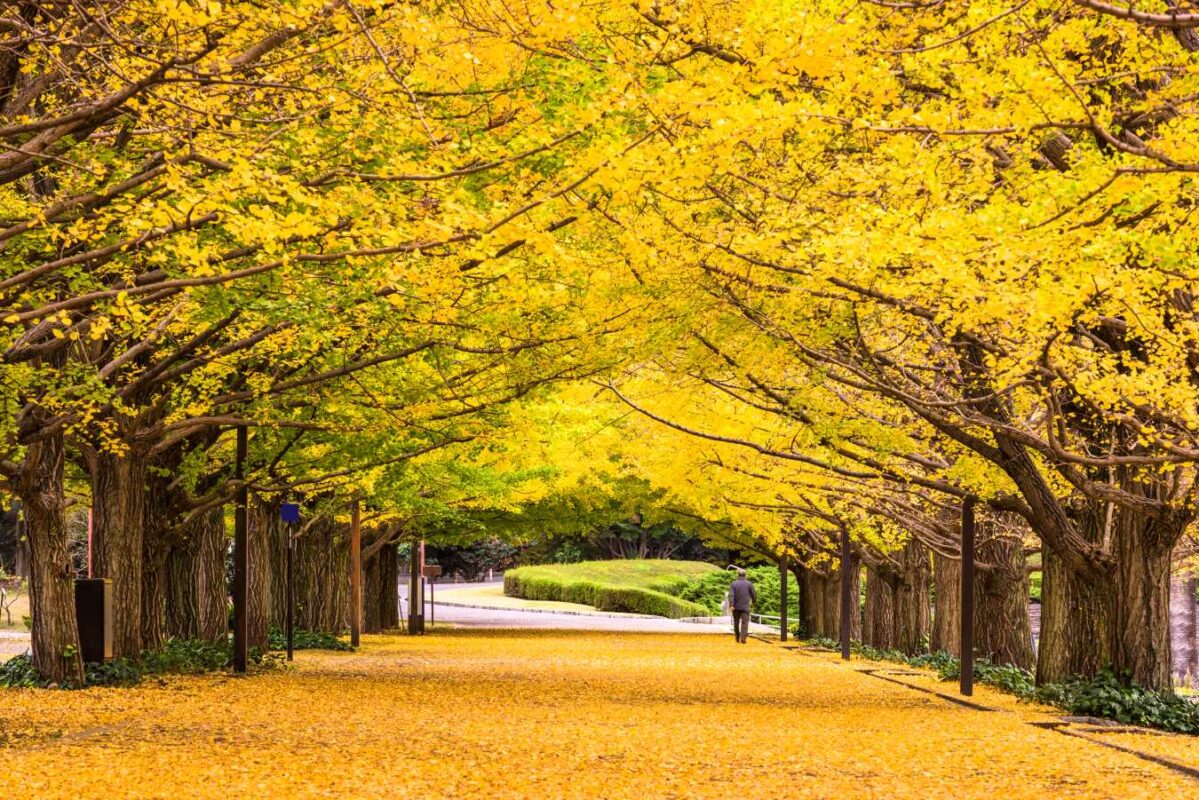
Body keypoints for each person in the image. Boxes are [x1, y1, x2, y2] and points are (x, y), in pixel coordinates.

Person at [728, 568, 756, 644]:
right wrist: (754, 602)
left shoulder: (733, 584)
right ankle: (743, 638)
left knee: (736, 622)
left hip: (736, 607)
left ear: (738, 575)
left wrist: (731, 604)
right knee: (745, 623)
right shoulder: (749, 584)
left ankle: (737, 637)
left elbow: (731, 595)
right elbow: (753, 594)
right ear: (745, 575)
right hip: (745, 607)